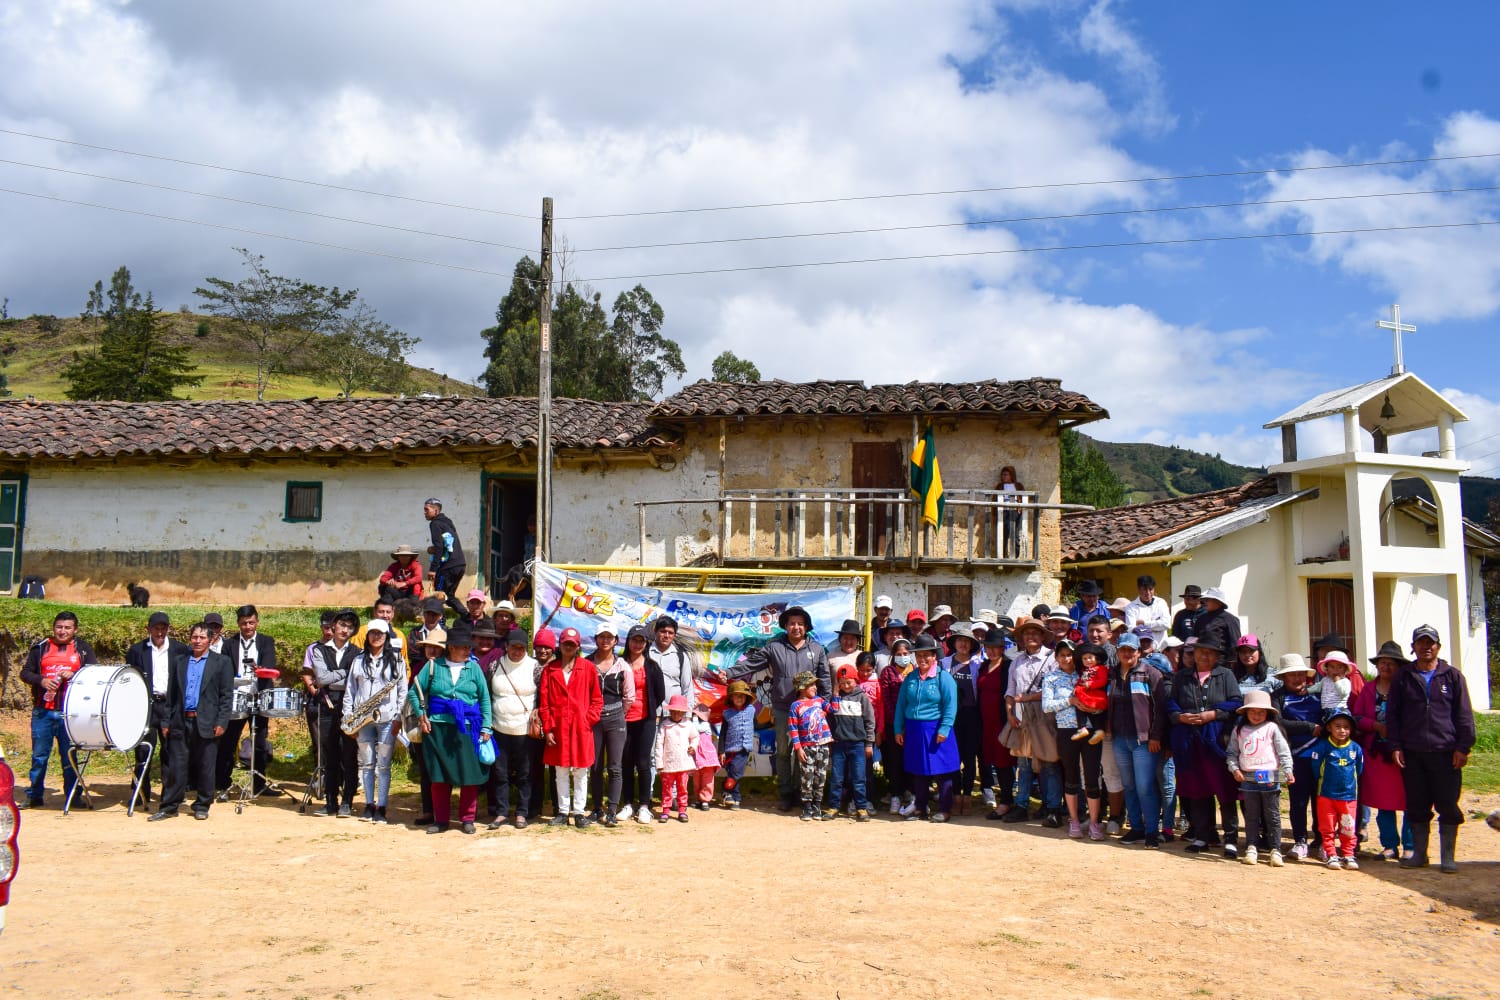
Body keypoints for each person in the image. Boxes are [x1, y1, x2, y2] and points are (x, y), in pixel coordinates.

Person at [720, 606, 830, 812]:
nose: (796, 627)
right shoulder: (775, 647)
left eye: (800, 623)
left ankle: (802, 793)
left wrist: (823, 705)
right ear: (785, 626)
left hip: (809, 712)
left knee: (804, 751)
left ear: (806, 626)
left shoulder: (816, 649)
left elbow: (824, 679)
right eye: (791, 623)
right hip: (781, 707)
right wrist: (729, 672)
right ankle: (786, 793)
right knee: (782, 752)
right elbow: (752, 663)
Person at [1388, 625, 1475, 873]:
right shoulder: (1403, 677)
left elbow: (1464, 715)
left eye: (1431, 643)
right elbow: (1393, 715)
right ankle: (1420, 854)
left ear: (1438, 646)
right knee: (1417, 804)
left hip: (1446, 752)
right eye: (1421, 643)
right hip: (1412, 753)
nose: (1426, 647)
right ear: (1413, 647)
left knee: (1447, 804)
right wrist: (1395, 745)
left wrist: (1463, 747)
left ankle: (1447, 857)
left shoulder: (1453, 677)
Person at [409, 622, 492, 834]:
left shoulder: (473, 668)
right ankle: (441, 820)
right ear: (451, 647)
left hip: (467, 728)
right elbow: (414, 692)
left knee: (469, 775)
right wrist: (421, 716)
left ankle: (467, 818)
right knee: (439, 776)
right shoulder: (434, 666)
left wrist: (486, 727)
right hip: (438, 728)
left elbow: (484, 699)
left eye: (469, 647)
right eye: (464, 647)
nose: (468, 650)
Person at [150, 622, 233, 822]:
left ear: (211, 640)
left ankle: (202, 804)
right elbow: (172, 694)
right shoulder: (180, 661)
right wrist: (166, 721)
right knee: (176, 765)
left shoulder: (222, 662)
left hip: (207, 722)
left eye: (202, 638)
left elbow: (226, 696)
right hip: (180, 720)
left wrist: (222, 721)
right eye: (194, 637)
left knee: (206, 765)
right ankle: (170, 805)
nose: (197, 641)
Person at [1168, 636, 1243, 856]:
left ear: (1218, 656)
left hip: (1217, 738)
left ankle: (1230, 838)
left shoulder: (1225, 675)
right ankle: (1202, 836)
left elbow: (1236, 702)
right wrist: (1180, 717)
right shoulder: (1182, 676)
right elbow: (1171, 703)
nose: (1204, 656)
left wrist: (1213, 714)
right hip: (1189, 740)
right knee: (1197, 789)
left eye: (1210, 652)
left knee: (1225, 789)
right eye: (1200, 651)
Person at [18, 610, 98, 809]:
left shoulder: (83, 649)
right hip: (42, 711)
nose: (62, 631)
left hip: (70, 713)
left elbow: (95, 673)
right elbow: (25, 673)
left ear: (75, 630)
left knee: (69, 756)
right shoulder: (41, 648)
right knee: (39, 756)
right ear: (54, 628)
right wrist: (41, 680)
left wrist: (76, 674)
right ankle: (35, 794)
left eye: (67, 628)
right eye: (59, 627)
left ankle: (73, 796)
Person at [342, 618, 407, 824]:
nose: (376, 637)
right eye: (373, 633)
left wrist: (399, 717)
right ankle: (369, 805)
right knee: (367, 763)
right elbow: (350, 691)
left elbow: (403, 691)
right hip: (362, 720)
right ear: (367, 636)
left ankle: (382, 806)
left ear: (387, 636)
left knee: (384, 765)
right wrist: (347, 718)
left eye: (380, 633)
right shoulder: (358, 660)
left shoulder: (396, 660)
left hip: (387, 718)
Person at [1353, 641, 1414, 862]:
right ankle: (1389, 845)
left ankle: (1410, 845)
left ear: (1399, 666)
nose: (1386, 667)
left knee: (1408, 800)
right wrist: (1376, 726)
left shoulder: (1407, 688)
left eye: (1391, 663)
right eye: (1382, 663)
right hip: (1376, 753)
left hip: (1402, 752)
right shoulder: (1369, 689)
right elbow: (1357, 718)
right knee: (1383, 801)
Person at [1109, 633, 1169, 847]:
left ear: (1138, 652)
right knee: (1129, 785)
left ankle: (1152, 831)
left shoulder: (1150, 673)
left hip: (1143, 741)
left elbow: (1161, 710)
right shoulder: (1112, 674)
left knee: (1145, 786)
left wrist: (1155, 736)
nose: (1126, 653)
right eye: (1122, 649)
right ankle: (1136, 828)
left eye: (1131, 650)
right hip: (1119, 740)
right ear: (1117, 651)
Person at [538, 627, 602, 828]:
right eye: (565, 643)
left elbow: (597, 700)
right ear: (560, 645)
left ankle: (579, 813)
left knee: (581, 771)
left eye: (572, 644)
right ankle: (563, 812)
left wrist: (587, 719)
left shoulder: (588, 668)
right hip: (558, 729)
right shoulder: (550, 670)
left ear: (578, 646)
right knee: (561, 771)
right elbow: (545, 702)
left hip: (580, 728)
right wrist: (548, 729)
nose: (568, 647)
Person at [1003, 617, 1062, 826]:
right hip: (1021, 716)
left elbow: (1052, 689)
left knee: (1049, 762)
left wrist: (1025, 698)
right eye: (1027, 633)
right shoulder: (1017, 662)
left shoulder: (1052, 659)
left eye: (1035, 633)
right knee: (1023, 763)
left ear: (1043, 636)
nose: (1031, 637)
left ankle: (1053, 807)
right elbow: (1010, 690)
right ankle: (1022, 805)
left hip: (1045, 716)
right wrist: (1010, 712)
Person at [894, 634, 959, 822]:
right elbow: (901, 705)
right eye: (919, 655)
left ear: (934, 657)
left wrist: (945, 729)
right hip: (914, 729)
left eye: (926, 655)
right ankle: (920, 808)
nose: (922, 659)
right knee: (919, 770)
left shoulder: (943, 677)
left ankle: (945, 809)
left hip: (935, 728)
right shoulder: (911, 678)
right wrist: (899, 729)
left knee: (942, 771)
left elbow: (950, 705)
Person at [217, 604, 279, 799]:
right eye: (244, 623)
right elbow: (223, 669)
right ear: (238, 624)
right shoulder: (229, 644)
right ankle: (222, 784)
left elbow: (270, 667)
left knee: (259, 741)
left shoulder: (266, 641)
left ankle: (259, 784)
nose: (248, 627)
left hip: (259, 697)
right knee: (228, 741)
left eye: (251, 622)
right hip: (237, 697)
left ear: (257, 622)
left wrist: (260, 670)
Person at [1226, 689, 1293, 867]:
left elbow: (1283, 751)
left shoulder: (1272, 728)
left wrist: (1288, 771)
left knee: (1272, 815)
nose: (1257, 715)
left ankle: (1276, 849)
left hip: (1269, 776)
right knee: (1252, 815)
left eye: (1261, 712)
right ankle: (1251, 847)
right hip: (1248, 777)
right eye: (1253, 711)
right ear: (1246, 712)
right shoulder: (1239, 730)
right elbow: (1232, 753)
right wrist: (1234, 769)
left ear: (1268, 713)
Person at [126, 611, 186, 806]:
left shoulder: (179, 650)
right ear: (148, 629)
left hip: (170, 705)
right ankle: (140, 793)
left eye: (163, 628)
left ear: (168, 629)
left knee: (170, 750)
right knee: (143, 751)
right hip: (147, 705)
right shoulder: (137, 650)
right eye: (156, 628)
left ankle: (169, 794)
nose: (160, 632)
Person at [1042, 640, 1101, 839]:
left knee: (1092, 776)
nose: (1066, 658)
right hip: (1066, 730)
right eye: (1062, 655)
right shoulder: (1050, 678)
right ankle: (1074, 820)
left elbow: (1100, 696)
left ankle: (1094, 822)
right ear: (1056, 657)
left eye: (1069, 654)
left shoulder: (1085, 673)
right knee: (1071, 775)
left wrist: (1093, 707)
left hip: (1090, 729)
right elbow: (1047, 706)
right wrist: (1070, 701)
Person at [1271, 654, 1323, 861]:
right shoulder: (1277, 697)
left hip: (1321, 756)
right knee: (1298, 802)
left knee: (1321, 801)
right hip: (1295, 757)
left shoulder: (1318, 693)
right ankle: (1300, 840)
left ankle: (1321, 840)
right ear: (1284, 677)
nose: (1297, 678)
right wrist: (1310, 728)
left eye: (1301, 674)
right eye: (1292, 674)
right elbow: (1278, 723)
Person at [312, 608, 362, 817]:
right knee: (329, 755)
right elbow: (321, 679)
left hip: (350, 707)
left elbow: (357, 680)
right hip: (327, 705)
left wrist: (333, 677)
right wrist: (345, 673)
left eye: (349, 627)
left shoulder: (358, 653)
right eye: (342, 625)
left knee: (349, 755)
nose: (344, 630)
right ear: (333, 626)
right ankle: (330, 800)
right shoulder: (319, 650)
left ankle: (347, 802)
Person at [488, 628, 539, 830]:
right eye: (513, 647)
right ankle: (501, 813)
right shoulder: (494, 666)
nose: (517, 651)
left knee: (525, 774)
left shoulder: (535, 667)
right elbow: (487, 695)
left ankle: (521, 813)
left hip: (524, 731)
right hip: (499, 728)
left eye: (521, 647)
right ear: (506, 647)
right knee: (500, 773)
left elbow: (542, 698)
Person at [588, 624, 633, 826]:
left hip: (616, 718)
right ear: (596, 639)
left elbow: (629, 696)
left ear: (616, 641)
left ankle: (612, 810)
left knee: (615, 766)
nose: (605, 640)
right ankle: (597, 809)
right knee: (595, 766)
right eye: (602, 636)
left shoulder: (623, 666)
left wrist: (617, 714)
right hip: (593, 720)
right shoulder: (586, 663)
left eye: (610, 637)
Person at [620, 624, 665, 824]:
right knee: (625, 762)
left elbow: (660, 693)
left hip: (646, 719)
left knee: (644, 762)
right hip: (622, 719)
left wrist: (652, 712)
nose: (637, 644)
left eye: (641, 641)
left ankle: (645, 806)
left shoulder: (653, 666)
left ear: (646, 643)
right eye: (634, 640)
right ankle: (628, 804)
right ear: (628, 641)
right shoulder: (619, 663)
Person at [1309, 707, 1364, 870]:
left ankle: (1348, 854)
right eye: (1338, 726)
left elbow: (1359, 769)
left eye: (1346, 727)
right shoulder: (1322, 747)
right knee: (1327, 827)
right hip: (1326, 795)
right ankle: (1331, 854)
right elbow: (1315, 768)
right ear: (1329, 728)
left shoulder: (1355, 749)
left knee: (1348, 827)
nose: (1342, 730)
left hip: (1348, 796)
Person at [824, 664, 875, 821]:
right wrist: (835, 693)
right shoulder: (836, 700)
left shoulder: (862, 698)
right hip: (839, 744)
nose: (846, 686)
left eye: (849, 682)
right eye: (842, 682)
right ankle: (834, 806)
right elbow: (830, 718)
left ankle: (861, 807)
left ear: (856, 680)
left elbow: (869, 721)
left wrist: (869, 743)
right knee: (837, 778)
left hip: (858, 744)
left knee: (859, 778)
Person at [406, 628, 447, 827]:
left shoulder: (448, 667)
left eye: (436, 647)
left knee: (444, 767)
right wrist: (421, 716)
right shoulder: (418, 668)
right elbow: (411, 695)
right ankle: (428, 809)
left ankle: (443, 809)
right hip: (423, 723)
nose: (432, 650)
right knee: (425, 769)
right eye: (429, 646)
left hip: (444, 723)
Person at [976, 629, 1015, 820]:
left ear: (1002, 648)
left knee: (1003, 763)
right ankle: (1000, 796)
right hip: (985, 722)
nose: (991, 651)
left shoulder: (1008, 666)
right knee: (989, 760)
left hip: (1001, 721)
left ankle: (1007, 801)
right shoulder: (984, 666)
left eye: (995, 648)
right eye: (988, 647)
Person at [944, 622, 983, 812]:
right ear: (954, 643)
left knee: (969, 758)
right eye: (960, 640)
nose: (963, 644)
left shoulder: (978, 665)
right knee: (953, 757)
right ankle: (955, 794)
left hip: (972, 715)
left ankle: (967, 795)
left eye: (967, 641)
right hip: (952, 716)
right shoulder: (944, 664)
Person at [787, 671, 834, 822]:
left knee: (821, 776)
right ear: (802, 687)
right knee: (807, 776)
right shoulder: (795, 706)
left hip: (823, 745)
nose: (815, 687)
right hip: (806, 747)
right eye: (811, 684)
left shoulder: (820, 701)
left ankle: (817, 806)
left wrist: (837, 691)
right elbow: (793, 728)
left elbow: (834, 709)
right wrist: (798, 748)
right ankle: (807, 806)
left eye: (815, 684)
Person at [300, 610, 336, 799]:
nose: (329, 632)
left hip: (336, 699)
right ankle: (320, 777)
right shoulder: (313, 648)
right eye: (325, 627)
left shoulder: (342, 648)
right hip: (317, 699)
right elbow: (306, 671)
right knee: (318, 740)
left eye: (332, 627)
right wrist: (311, 688)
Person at [878, 636, 914, 815]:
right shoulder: (887, 672)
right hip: (893, 724)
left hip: (913, 723)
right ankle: (895, 794)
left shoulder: (914, 671)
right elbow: (886, 699)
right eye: (899, 654)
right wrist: (897, 723)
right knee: (893, 760)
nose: (903, 656)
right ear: (893, 655)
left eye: (906, 653)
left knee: (911, 759)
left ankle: (911, 792)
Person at [654, 694, 697, 823]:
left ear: (684, 712)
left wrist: (693, 746)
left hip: (683, 764)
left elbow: (695, 737)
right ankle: (666, 810)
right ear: (670, 711)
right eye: (674, 711)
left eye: (679, 712)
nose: (677, 714)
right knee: (667, 788)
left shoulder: (688, 724)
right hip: (668, 764)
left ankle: (682, 810)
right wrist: (659, 763)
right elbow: (659, 744)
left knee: (682, 788)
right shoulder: (665, 725)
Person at [424, 497, 467, 618]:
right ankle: (467, 617)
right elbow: (446, 544)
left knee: (439, 595)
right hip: (460, 564)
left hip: (449, 566)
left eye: (427, 510)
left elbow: (439, 547)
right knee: (449, 596)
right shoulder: (448, 522)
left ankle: (439, 624)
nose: (425, 513)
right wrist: (434, 548)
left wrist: (433, 569)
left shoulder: (435, 524)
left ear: (436, 511)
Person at [719, 680, 757, 809]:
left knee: (736, 773)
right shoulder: (727, 714)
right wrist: (721, 751)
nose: (740, 698)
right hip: (730, 748)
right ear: (731, 698)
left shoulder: (751, 710)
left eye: (742, 695)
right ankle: (734, 798)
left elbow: (756, 724)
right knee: (732, 772)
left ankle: (727, 791)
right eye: (736, 695)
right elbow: (722, 734)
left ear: (746, 697)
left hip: (744, 748)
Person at [1191, 587, 1241, 673]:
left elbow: (1235, 644)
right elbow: (1195, 640)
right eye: (1204, 600)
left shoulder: (1230, 619)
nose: (1205, 602)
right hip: (1201, 663)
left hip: (1222, 665)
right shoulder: (1201, 619)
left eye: (1208, 600)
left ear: (1218, 601)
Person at [1071, 642, 1109, 744]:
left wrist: (1091, 684)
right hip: (1086, 695)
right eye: (1085, 658)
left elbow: (1103, 680)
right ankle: (1085, 728)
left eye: (1090, 657)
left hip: (1096, 695)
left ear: (1097, 659)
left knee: (1094, 713)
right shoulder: (1084, 671)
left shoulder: (1101, 669)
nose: (1088, 660)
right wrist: (1077, 687)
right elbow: (1081, 681)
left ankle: (1097, 730)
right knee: (1081, 709)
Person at [1123, 575, 1171, 647]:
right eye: (1144, 589)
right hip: (1142, 649)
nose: (1148, 593)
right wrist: (1157, 625)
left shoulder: (1161, 603)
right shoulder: (1131, 607)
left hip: (1161, 648)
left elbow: (1166, 624)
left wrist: (1144, 623)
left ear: (1154, 589)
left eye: (1150, 589)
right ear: (1139, 590)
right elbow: (1131, 629)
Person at [690, 703, 720, 811]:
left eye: (697, 715)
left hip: (707, 758)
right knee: (697, 780)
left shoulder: (705, 725)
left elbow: (696, 727)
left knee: (707, 780)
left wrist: (693, 718)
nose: (695, 716)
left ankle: (706, 799)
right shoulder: (691, 725)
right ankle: (698, 798)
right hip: (697, 757)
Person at [996, 464, 1025, 558]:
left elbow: (1022, 498)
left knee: (1016, 534)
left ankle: (1016, 555)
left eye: (1006, 474)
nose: (1003, 476)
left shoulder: (1018, 486)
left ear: (1011, 475)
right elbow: (994, 499)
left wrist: (1020, 508)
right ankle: (1004, 555)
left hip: (1016, 512)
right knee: (1004, 533)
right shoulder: (1000, 486)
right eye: (1003, 474)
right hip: (1004, 512)